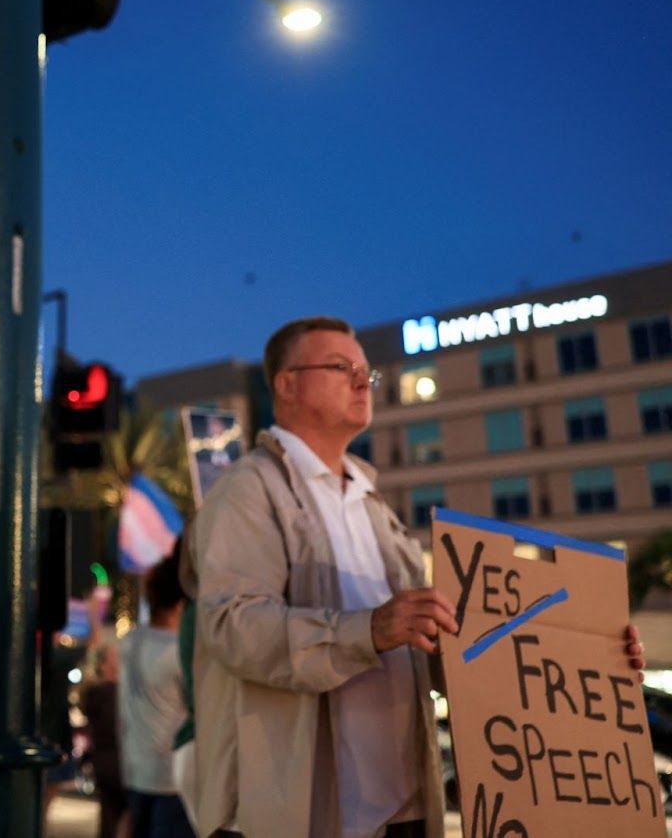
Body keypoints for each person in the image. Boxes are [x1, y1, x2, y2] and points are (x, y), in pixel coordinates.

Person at [186, 316, 647, 838]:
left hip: (403, 809)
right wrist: (370, 630)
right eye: (340, 367)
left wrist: (588, 662)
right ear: (286, 385)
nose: (362, 382)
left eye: (366, 372)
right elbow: (233, 627)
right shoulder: (247, 491)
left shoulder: (375, 508)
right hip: (306, 814)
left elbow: (439, 647)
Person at [119, 549, 192, 838]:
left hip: (135, 769)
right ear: (181, 605)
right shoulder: (179, 652)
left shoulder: (130, 642)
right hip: (171, 777)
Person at [77, 639, 126, 838]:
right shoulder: (109, 694)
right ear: (104, 664)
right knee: (121, 813)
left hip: (104, 758)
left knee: (109, 814)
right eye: (116, 657)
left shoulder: (95, 693)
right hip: (115, 759)